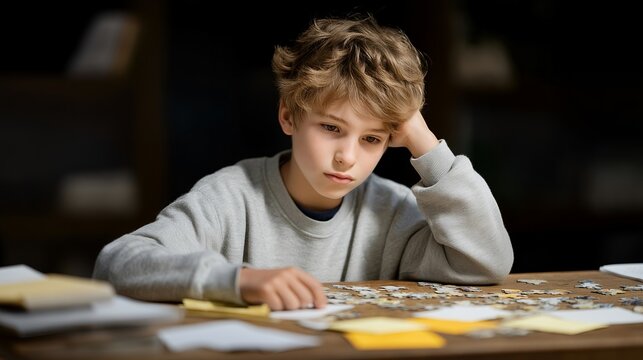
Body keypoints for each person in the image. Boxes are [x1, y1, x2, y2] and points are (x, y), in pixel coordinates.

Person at [93, 15, 513, 311]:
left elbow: (486, 261)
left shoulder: (393, 212)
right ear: (288, 116)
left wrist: (425, 143)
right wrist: (237, 280)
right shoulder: (228, 196)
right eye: (331, 128)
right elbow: (118, 263)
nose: (347, 155)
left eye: (371, 139)